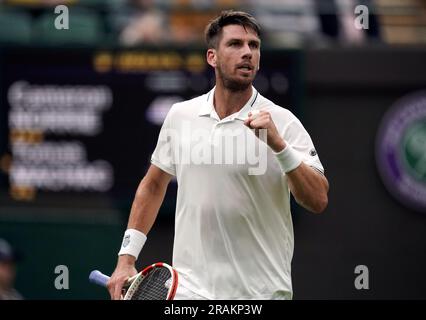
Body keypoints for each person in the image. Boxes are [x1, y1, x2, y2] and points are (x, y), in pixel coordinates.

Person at [107, 10, 329, 300]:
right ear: (212, 57)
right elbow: (153, 185)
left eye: (254, 45)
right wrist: (126, 258)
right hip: (190, 293)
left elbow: (317, 200)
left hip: (259, 295)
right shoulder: (181, 116)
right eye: (235, 44)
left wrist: (279, 147)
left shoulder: (282, 122)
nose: (247, 52)